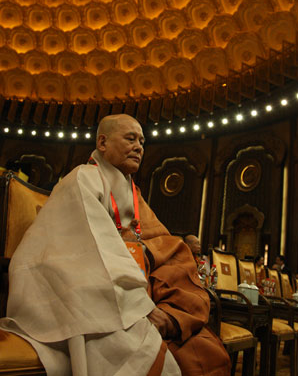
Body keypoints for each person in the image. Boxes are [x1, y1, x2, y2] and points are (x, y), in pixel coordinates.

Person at [1, 114, 230, 376]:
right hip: (99, 292)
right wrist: (139, 307)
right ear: (102, 142)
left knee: (207, 353)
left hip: (142, 289)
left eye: (142, 142)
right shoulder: (83, 178)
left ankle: (171, 320)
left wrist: (148, 254)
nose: (139, 147)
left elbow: (164, 244)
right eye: (130, 138)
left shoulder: (135, 193)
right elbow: (82, 246)